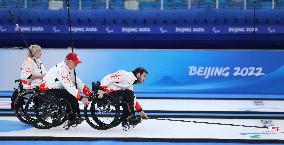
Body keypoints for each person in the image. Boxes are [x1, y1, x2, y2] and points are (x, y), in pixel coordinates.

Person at [39, 52, 90, 129]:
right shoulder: (61, 69)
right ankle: (71, 118)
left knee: (72, 94)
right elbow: (69, 86)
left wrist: (89, 92)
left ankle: (75, 117)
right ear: (69, 61)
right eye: (75, 63)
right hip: (47, 90)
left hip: (55, 89)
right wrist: (81, 98)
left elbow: (77, 82)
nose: (76, 65)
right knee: (70, 94)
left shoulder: (68, 69)